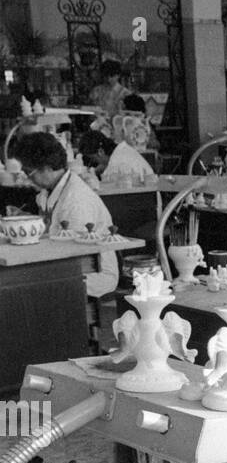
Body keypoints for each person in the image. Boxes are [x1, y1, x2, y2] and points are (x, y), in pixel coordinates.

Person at [14, 130, 118, 297]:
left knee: (18, 282)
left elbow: (72, 254)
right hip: (68, 262)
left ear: (46, 168)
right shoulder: (53, 189)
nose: (27, 178)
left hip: (94, 273)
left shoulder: (76, 200)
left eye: (28, 172)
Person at [79, 128, 153, 183]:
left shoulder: (116, 165)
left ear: (100, 151)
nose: (95, 162)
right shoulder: (122, 150)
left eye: (93, 158)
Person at [88, 59, 130, 125]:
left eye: (112, 76)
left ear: (118, 75)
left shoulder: (126, 94)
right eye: (106, 76)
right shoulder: (96, 91)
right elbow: (91, 111)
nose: (109, 79)